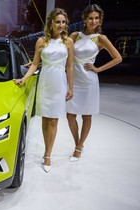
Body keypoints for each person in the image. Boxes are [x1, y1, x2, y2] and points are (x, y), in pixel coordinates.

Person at [14, 8, 74, 173]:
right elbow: (34, 64)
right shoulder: (41, 41)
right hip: (45, 81)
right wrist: (23, 79)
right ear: (51, 23)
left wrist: (71, 87)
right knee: (45, 120)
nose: (61, 25)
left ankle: (48, 154)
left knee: (54, 120)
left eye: (63, 22)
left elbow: (70, 67)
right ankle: (47, 150)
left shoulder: (68, 42)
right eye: (58, 21)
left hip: (59, 82)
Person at [66, 4, 122, 162]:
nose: (93, 21)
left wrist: (98, 69)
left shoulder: (101, 38)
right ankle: (78, 143)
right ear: (84, 19)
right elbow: (61, 50)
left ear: (100, 20)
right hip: (73, 80)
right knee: (70, 116)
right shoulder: (75, 36)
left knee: (86, 116)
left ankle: (78, 147)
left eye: (96, 18)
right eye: (90, 18)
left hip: (89, 81)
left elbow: (118, 58)